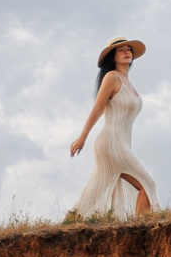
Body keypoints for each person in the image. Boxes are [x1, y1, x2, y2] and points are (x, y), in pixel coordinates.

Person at [67, 37, 159, 218]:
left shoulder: (127, 82)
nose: (127, 52)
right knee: (147, 184)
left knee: (93, 194)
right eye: (121, 50)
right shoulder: (111, 77)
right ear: (112, 57)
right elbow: (98, 108)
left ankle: (69, 224)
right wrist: (82, 137)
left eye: (129, 49)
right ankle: (142, 230)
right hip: (110, 142)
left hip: (121, 144)